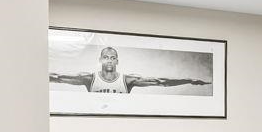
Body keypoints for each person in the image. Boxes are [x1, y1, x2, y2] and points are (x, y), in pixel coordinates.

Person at [51, 45, 209, 94]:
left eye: (113, 57)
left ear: (117, 61)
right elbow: (58, 77)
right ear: (100, 60)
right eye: (106, 57)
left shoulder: (127, 80)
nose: (109, 60)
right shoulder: (88, 78)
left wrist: (189, 80)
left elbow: (162, 82)